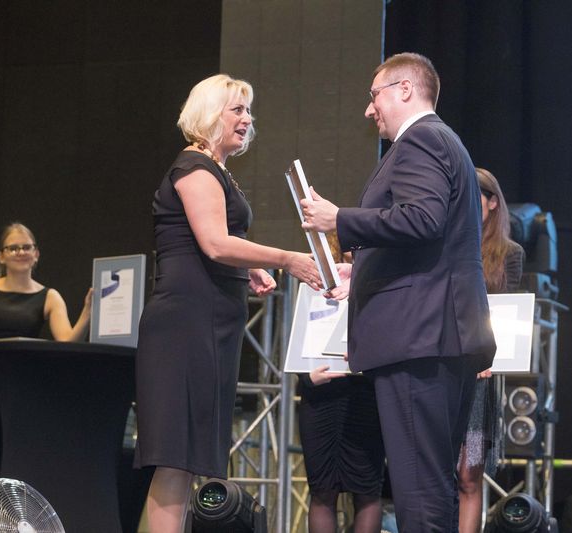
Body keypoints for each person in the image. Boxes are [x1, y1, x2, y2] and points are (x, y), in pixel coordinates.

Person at [301, 53, 496, 532]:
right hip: (437, 336)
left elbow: (421, 219)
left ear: (405, 89)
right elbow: (431, 239)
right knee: (430, 485)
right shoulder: (442, 141)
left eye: (375, 96)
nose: (369, 109)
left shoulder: (421, 139)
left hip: (419, 339)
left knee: (419, 489)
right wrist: (361, 273)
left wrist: (338, 219)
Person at [132, 73, 321, 533]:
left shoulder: (213, 168)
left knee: (187, 459)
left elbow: (210, 242)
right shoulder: (195, 168)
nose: (247, 119)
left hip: (206, 324)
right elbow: (215, 244)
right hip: (185, 325)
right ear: (209, 113)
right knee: (175, 456)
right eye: (237, 109)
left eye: (248, 111)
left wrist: (247, 267)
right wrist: (285, 258)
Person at [0, 222, 92, 487]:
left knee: (13, 450)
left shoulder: (49, 296)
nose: (20, 252)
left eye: (26, 247)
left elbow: (66, 341)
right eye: (13, 248)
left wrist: (88, 313)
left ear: (36, 254)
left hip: (22, 384)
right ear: (1, 256)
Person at [296, 233, 385, 533]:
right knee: (322, 489)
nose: (353, 249)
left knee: (367, 489)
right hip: (321, 396)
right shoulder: (316, 284)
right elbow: (299, 340)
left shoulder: (383, 282)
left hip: (366, 394)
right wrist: (306, 376)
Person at [457, 168, 525, 533]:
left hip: (481, 377)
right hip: (445, 369)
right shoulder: (449, 245)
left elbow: (504, 309)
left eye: (475, 198)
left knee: (469, 474)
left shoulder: (509, 253)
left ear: (493, 202)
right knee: (435, 470)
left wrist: (486, 356)